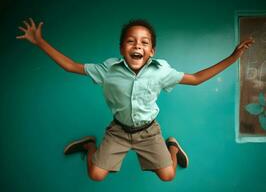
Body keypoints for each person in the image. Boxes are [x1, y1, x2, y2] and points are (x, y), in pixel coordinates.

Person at [16, 18, 254, 182]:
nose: (137, 45)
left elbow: (196, 78)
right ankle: (90, 144)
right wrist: (40, 41)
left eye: (144, 42)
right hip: (118, 131)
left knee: (168, 175)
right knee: (96, 175)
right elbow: (70, 66)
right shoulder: (108, 69)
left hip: (148, 132)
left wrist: (233, 57)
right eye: (131, 41)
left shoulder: (161, 71)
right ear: (121, 48)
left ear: (151, 51)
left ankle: (171, 146)